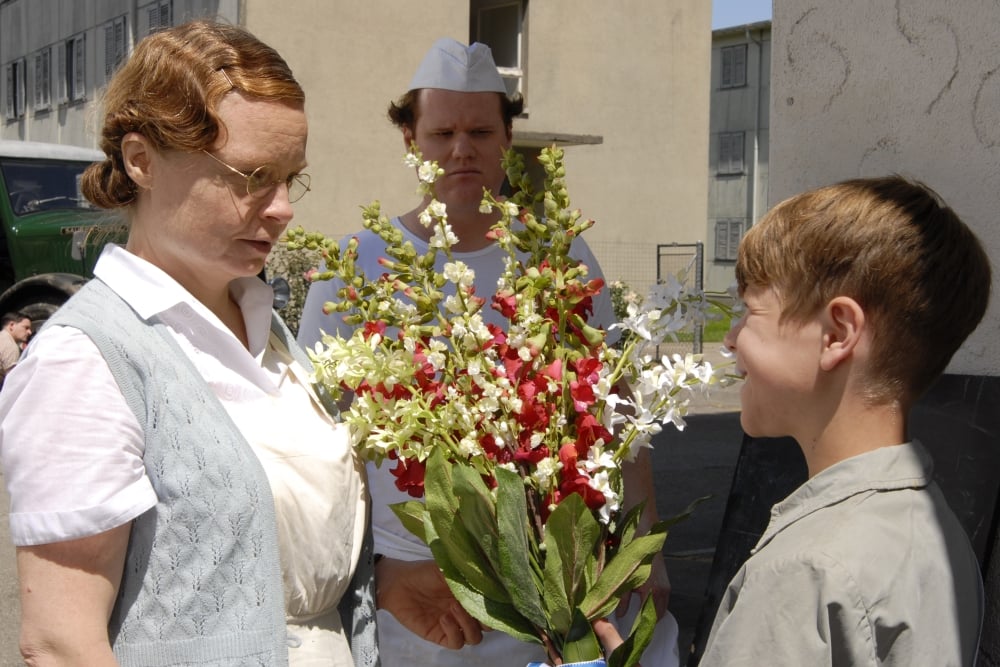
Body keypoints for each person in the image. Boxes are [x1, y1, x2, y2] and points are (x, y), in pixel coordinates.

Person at [0, 20, 481, 666]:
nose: (282, 207)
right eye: (252, 176)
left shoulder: (270, 336)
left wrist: (384, 581)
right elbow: (60, 643)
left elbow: (238, 557)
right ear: (142, 161)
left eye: (291, 177)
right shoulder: (86, 361)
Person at [298, 38, 678, 667]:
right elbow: (320, 443)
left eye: (480, 130)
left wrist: (648, 546)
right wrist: (374, 572)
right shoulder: (352, 267)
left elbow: (615, 411)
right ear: (409, 139)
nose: (460, 149)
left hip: (560, 583)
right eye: (442, 131)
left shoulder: (560, 256)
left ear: (507, 137)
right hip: (422, 598)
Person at [595, 175, 990, 666]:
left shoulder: (805, 570)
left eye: (750, 311)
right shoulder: (935, 531)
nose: (731, 339)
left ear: (837, 333)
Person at [0, 311, 31, 375]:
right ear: (12, 325)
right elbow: (12, 378)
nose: (29, 332)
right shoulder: (10, 346)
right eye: (26, 328)